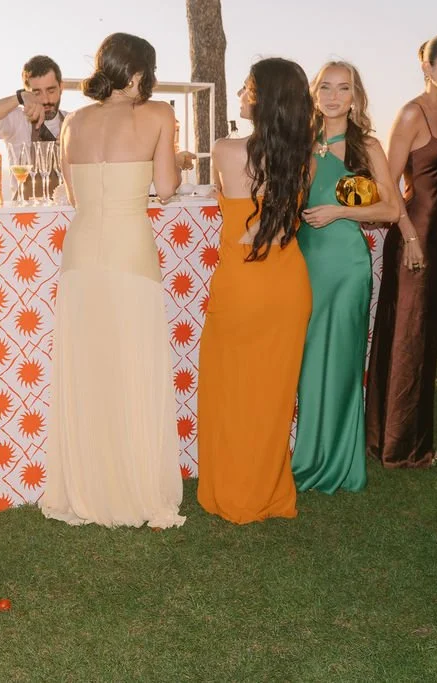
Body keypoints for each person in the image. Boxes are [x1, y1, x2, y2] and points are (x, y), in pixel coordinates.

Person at [39, 33, 185, 529]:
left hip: (80, 251)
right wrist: (176, 163)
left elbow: (73, 191)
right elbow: (165, 189)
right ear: (142, 72)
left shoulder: (75, 120)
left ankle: (86, 486)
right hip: (129, 248)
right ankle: (136, 487)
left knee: (89, 365)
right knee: (133, 362)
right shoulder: (159, 114)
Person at [196, 58, 313, 524]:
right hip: (287, 285)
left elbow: (219, 196)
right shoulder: (303, 155)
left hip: (243, 284)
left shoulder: (226, 149)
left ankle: (232, 493)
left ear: (264, 99)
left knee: (230, 388)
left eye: (247, 89)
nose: (243, 96)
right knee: (273, 396)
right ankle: (266, 491)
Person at [291, 62, 401, 495]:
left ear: (356, 96)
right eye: (326, 88)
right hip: (302, 262)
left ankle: (337, 461)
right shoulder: (300, 143)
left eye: (344, 88)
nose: (334, 96)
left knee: (340, 360)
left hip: (346, 266)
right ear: (314, 93)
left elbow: (391, 210)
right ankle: (306, 455)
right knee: (306, 360)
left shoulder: (367, 147)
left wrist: (341, 212)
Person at [365, 34, 437, 469]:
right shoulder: (413, 112)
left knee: (425, 338)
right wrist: (408, 236)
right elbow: (388, 183)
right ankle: (394, 445)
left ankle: (415, 441)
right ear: (426, 66)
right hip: (412, 235)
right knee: (406, 334)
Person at [0, 55, 67, 199]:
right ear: (27, 91)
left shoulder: (73, 121)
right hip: (24, 216)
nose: (45, 100)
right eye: (36, 93)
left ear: (61, 87)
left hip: (64, 217)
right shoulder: (18, 119)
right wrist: (19, 98)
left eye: (51, 91)